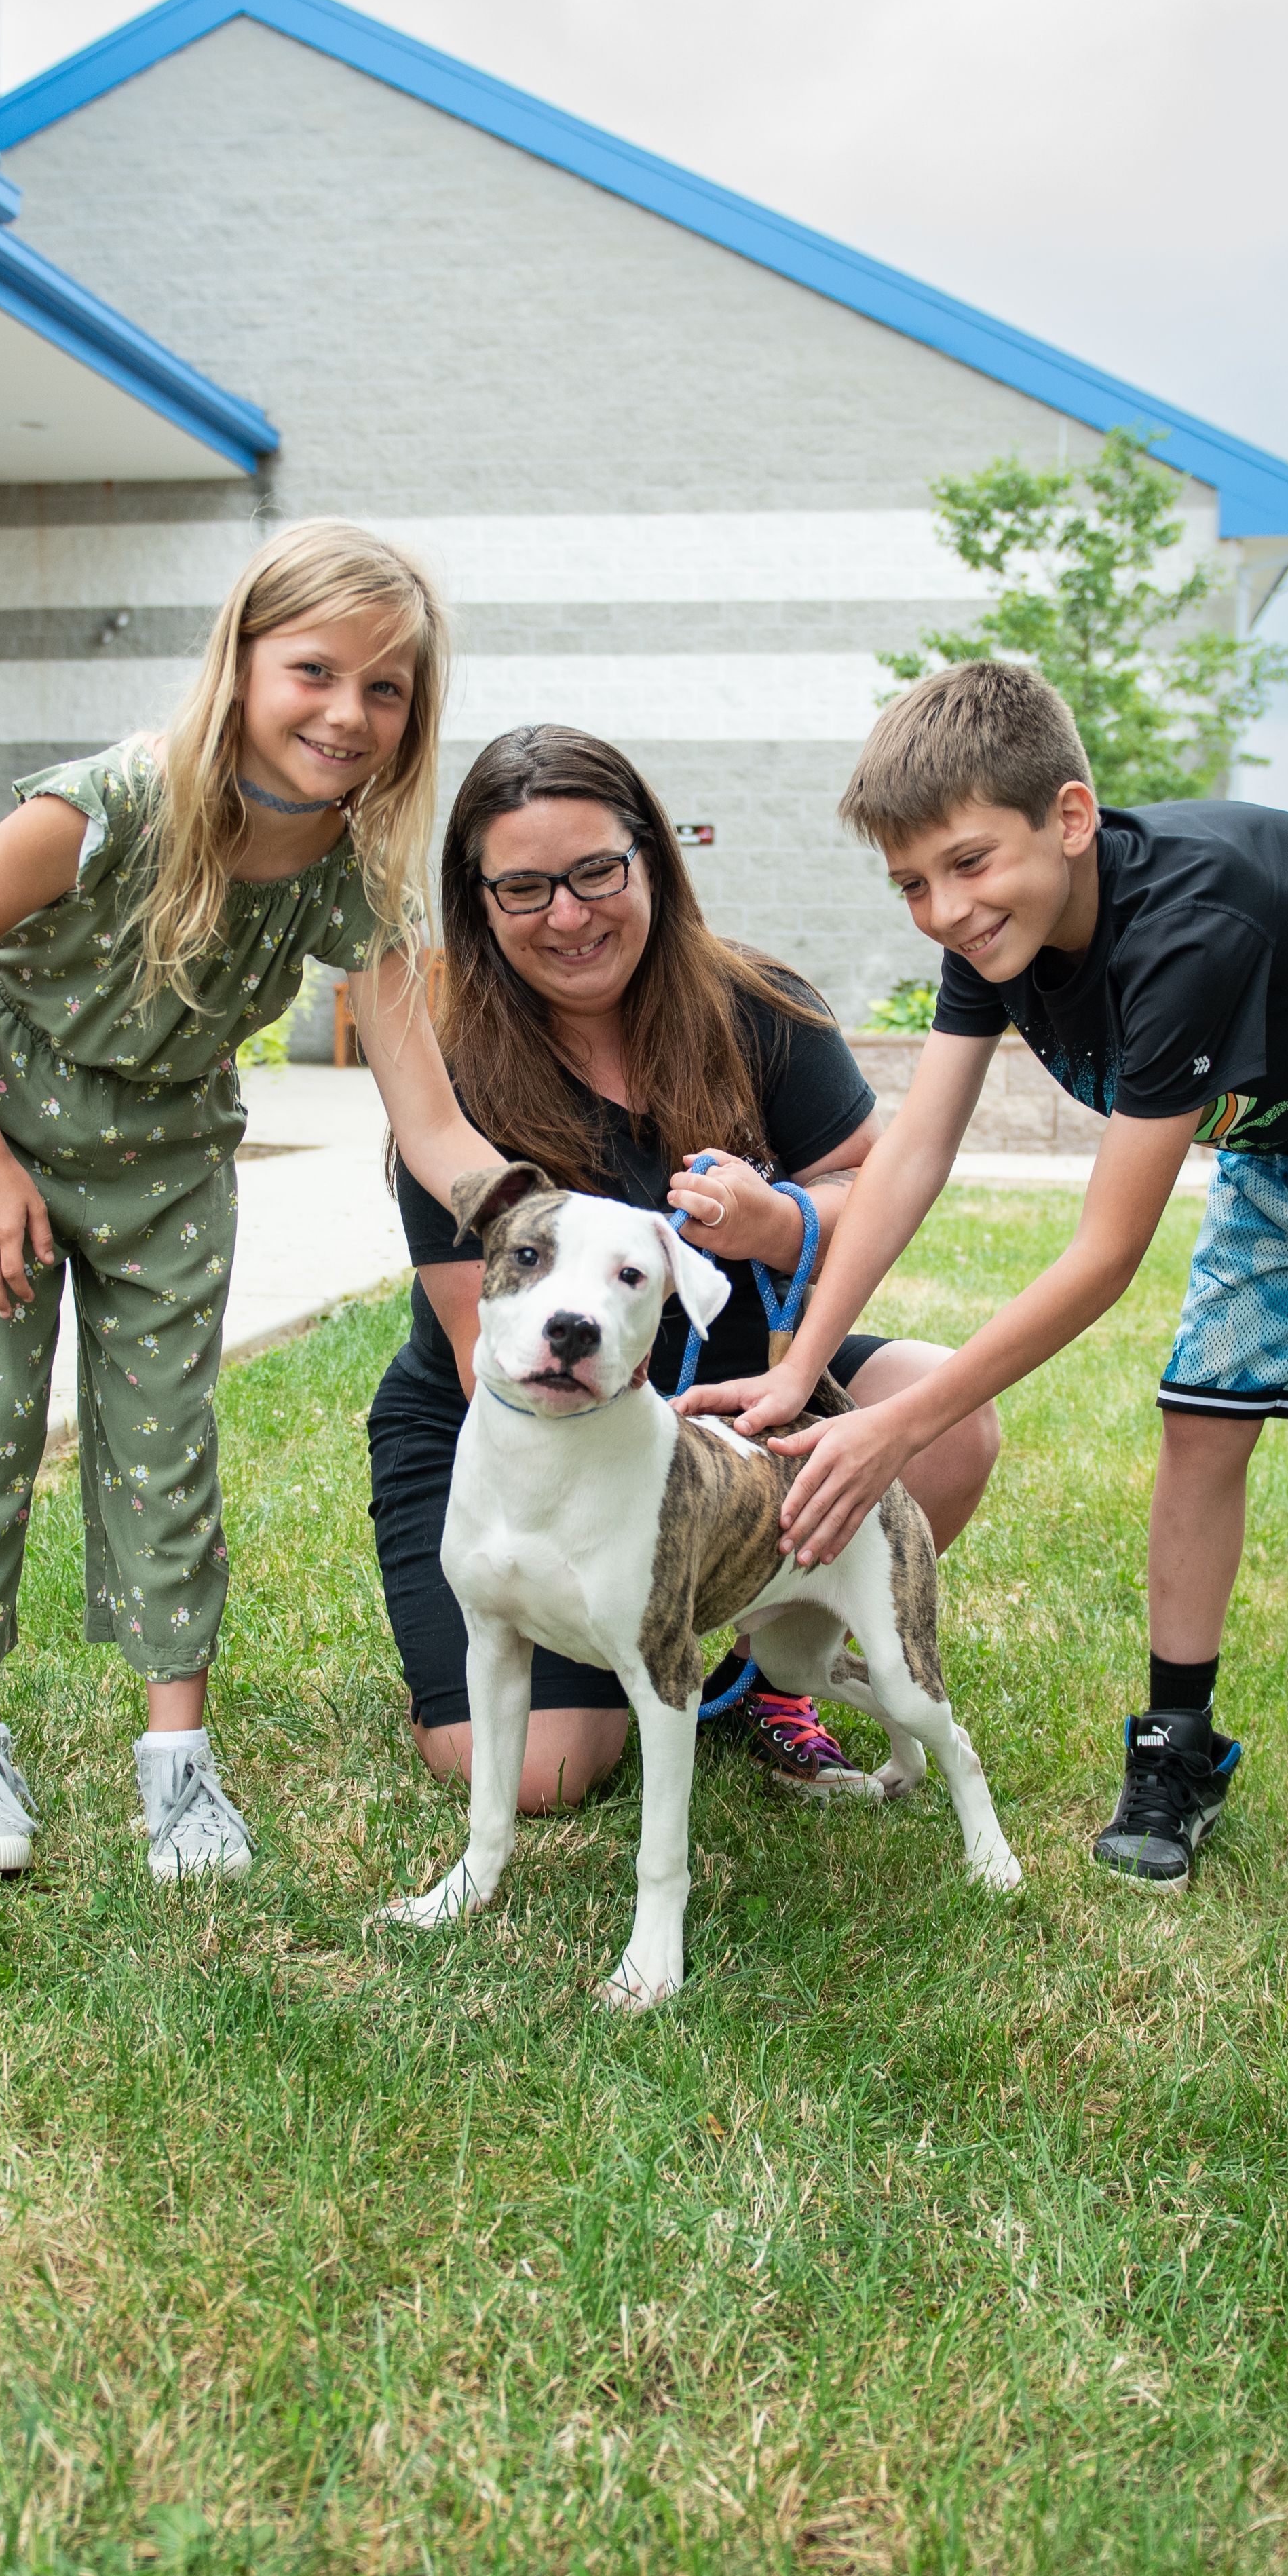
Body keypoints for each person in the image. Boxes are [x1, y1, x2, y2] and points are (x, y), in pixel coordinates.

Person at [683, 662, 1288, 2027]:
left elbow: (1102, 1255)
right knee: (1202, 1419)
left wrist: (895, 1421)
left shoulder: (1186, 936)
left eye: (968, 862)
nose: (946, 907)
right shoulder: (992, 943)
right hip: (1287, 1124)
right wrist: (803, 1365)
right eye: (912, 881)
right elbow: (912, 1153)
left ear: (1069, 816)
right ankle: (1178, 1752)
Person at [0, 521, 493, 1881]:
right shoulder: (113, 804)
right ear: (243, 662)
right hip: (13, 1130)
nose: (346, 712)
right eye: (315, 671)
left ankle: (178, 1769)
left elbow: (428, 1116)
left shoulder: (351, 870)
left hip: (167, 1161)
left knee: (165, 1446)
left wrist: (527, 1210)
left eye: (384, 689)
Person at [369, 723, 1005, 1813]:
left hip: (740, 1388)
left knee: (941, 1415)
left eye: (596, 872)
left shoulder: (762, 1008)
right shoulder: (461, 1083)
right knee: (543, 1772)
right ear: (477, 903)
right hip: (522, 1428)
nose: (568, 916)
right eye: (522, 889)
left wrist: (785, 1222)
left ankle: (769, 1654)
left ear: (651, 860)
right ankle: (596, 1646)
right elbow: (495, 1361)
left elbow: (868, 1191)